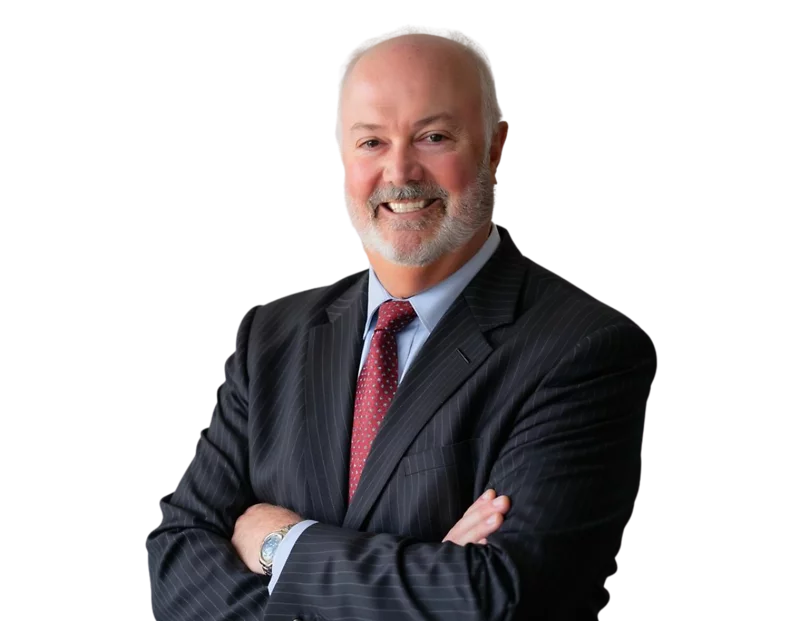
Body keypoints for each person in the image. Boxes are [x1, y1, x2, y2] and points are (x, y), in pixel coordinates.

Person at [145, 25, 658, 620]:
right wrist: (426, 575)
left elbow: (502, 598)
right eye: (371, 142)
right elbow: (170, 561)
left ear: (495, 145)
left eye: (434, 136)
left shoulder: (584, 349)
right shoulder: (272, 335)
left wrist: (281, 543)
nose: (401, 171)